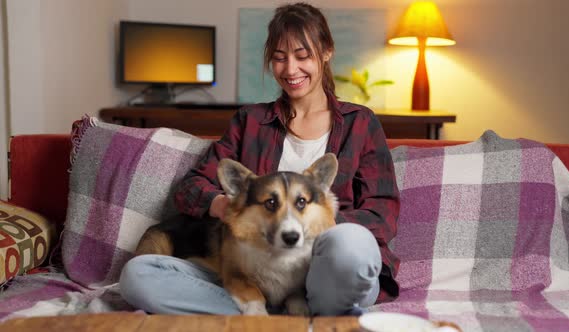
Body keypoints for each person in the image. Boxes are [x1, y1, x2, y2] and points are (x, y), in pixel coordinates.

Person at [119, 2, 399, 316]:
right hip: (259, 273)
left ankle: (309, 304)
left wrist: (325, 226)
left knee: (352, 244)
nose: (290, 69)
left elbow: (382, 215)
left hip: (327, 270)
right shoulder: (250, 122)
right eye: (279, 58)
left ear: (326, 52)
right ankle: (267, 311)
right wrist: (224, 205)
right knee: (137, 275)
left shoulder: (360, 123)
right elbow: (190, 188)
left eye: (302, 55)